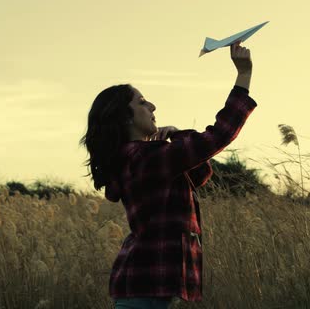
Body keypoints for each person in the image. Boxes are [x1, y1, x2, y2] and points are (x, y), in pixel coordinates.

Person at [79, 42, 257, 309]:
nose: (152, 106)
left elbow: (197, 174)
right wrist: (243, 76)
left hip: (141, 287)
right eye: (141, 102)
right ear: (125, 118)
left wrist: (175, 135)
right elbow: (217, 137)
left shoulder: (138, 159)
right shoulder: (149, 159)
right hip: (146, 290)